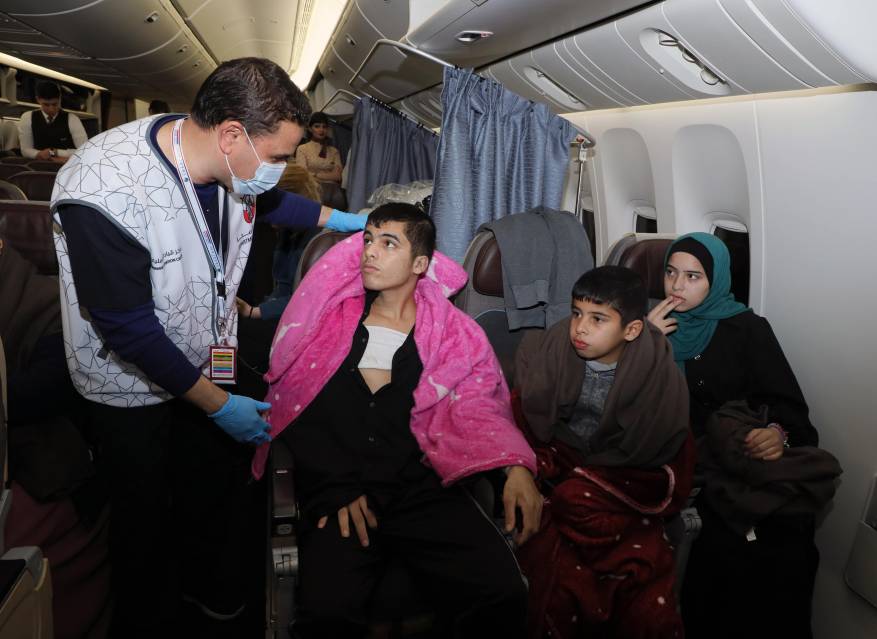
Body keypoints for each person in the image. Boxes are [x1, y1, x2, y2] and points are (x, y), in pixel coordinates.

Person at [50, 57, 367, 637]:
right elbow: (127, 330)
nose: (281, 169)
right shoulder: (103, 187)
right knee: (143, 518)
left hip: (205, 356)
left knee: (205, 491)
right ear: (231, 135)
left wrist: (344, 219)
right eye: (278, 157)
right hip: (128, 385)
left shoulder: (224, 164)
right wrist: (220, 406)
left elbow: (272, 202)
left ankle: (207, 602)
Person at [255, 202, 542, 638]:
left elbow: (479, 406)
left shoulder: (453, 334)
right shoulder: (326, 324)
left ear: (420, 264)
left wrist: (515, 467)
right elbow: (296, 408)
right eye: (368, 240)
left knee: (503, 593)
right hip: (344, 492)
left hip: (423, 489)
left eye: (389, 244)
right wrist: (335, 486)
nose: (370, 251)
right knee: (328, 616)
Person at [648, 233, 825, 639]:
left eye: (693, 276)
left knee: (789, 540)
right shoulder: (649, 328)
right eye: (671, 273)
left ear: (716, 280)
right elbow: (629, 406)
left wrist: (775, 433)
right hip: (686, 464)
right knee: (724, 550)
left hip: (742, 455)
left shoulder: (747, 330)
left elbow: (790, 408)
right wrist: (647, 346)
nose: (677, 286)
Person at [513, 265, 692, 639]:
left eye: (598, 319)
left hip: (622, 470)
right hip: (566, 457)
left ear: (631, 330)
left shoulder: (656, 371)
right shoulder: (555, 347)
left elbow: (657, 443)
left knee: (576, 504)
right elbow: (527, 411)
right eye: (576, 313)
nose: (580, 328)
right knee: (555, 562)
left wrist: (590, 478)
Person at [235, 163, 322, 322]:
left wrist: (255, 312)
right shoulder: (288, 232)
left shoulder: (318, 243)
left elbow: (307, 299)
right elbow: (282, 286)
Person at [18, 80, 87, 161]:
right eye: (46, 105)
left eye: (55, 104)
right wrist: (41, 155)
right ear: (38, 99)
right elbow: (25, 150)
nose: (51, 109)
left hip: (66, 166)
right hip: (38, 164)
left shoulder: (72, 119)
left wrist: (54, 152)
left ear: (60, 99)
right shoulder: (27, 117)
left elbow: (84, 150)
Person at [295, 110, 345, 209]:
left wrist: (315, 174)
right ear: (310, 129)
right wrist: (329, 175)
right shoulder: (303, 149)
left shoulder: (334, 151)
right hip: (311, 191)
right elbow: (303, 174)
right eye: (317, 126)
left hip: (333, 194)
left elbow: (338, 176)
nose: (321, 130)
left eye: (324, 127)